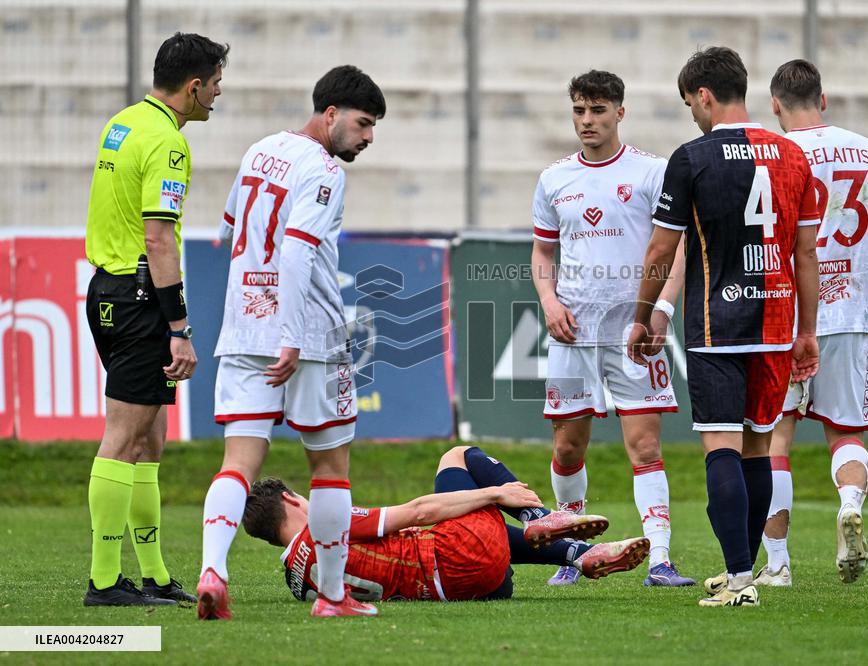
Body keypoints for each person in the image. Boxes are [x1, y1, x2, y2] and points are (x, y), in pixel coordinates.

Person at [627, 46, 821, 607]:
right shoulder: (792, 156)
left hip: (718, 323)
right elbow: (805, 253)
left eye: (692, 102)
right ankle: (747, 570)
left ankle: (739, 580)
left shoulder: (691, 158)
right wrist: (807, 330)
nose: (693, 112)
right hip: (778, 319)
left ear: (705, 96)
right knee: (759, 448)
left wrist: (642, 317)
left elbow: (663, 249)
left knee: (721, 447)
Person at [195, 65, 387, 620]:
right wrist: (292, 333)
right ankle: (332, 597)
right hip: (309, 336)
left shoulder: (260, 150)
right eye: (363, 123)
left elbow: (229, 230)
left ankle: (213, 571)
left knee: (238, 462)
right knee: (330, 468)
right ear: (331, 114)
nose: (368, 137)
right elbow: (299, 250)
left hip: (244, 326)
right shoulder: (325, 171)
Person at [530, 70, 693, 589]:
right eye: (579, 111)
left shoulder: (652, 172)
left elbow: (678, 249)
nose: (587, 121)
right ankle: (571, 553)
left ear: (619, 112)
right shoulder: (554, 178)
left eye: (598, 111)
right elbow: (541, 253)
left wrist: (661, 311)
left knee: (644, 449)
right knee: (567, 449)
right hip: (573, 335)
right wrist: (549, 301)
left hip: (634, 334)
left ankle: (661, 560)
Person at [83, 32, 229, 607]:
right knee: (122, 440)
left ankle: (152, 574)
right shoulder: (168, 144)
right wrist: (179, 327)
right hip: (141, 299)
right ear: (193, 87)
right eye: (215, 86)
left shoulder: (121, 124)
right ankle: (102, 582)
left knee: (150, 440)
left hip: (107, 291)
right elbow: (158, 236)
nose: (217, 96)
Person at [752, 59, 868, 587]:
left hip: (788, 313)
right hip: (849, 310)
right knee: (846, 430)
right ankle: (848, 504)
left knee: (778, 438)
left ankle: (778, 565)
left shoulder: (776, 154)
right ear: (824, 99)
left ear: (775, 104)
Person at [242, 446, 651, 602]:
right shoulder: (325, 522)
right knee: (457, 458)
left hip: (470, 589)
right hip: (458, 556)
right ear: (291, 499)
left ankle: (581, 555)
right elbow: (418, 511)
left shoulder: (296, 583)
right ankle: (538, 516)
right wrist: (496, 494)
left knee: (475, 538)